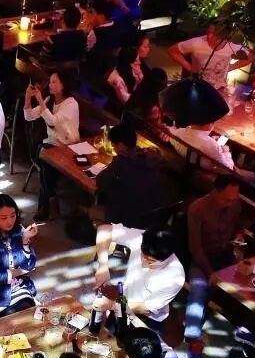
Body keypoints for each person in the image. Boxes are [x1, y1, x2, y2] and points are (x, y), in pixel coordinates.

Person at [184, 175, 244, 343]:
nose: (230, 203)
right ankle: (191, 335)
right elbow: (195, 248)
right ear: (216, 192)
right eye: (226, 199)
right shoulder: (198, 209)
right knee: (198, 289)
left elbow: (239, 227)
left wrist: (239, 236)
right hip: (204, 260)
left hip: (227, 257)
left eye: (233, 199)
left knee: (245, 287)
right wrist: (211, 273)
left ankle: (241, 335)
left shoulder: (235, 204)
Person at [93, 226, 185, 330]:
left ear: (167, 258)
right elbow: (104, 230)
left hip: (147, 318)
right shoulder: (141, 238)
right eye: (142, 254)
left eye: (151, 261)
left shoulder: (175, 276)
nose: (143, 261)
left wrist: (111, 305)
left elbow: (145, 309)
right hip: (122, 303)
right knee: (107, 333)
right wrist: (103, 266)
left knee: (139, 339)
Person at [95, 121, 178, 229]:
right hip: (159, 217)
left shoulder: (122, 162)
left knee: (94, 211)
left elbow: (100, 181)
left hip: (135, 220)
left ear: (121, 145)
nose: (114, 149)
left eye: (114, 145)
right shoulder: (153, 155)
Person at [24, 70, 81, 221]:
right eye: (50, 81)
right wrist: (28, 98)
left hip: (68, 148)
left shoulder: (71, 104)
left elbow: (52, 121)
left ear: (64, 85)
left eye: (54, 82)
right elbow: (29, 116)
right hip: (52, 146)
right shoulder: (50, 100)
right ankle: (50, 201)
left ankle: (47, 205)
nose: (50, 84)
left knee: (44, 160)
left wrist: (40, 100)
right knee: (45, 157)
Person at [167, 21, 250, 92]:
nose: (209, 36)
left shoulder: (232, 46)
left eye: (214, 34)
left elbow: (250, 56)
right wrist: (189, 67)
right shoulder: (196, 43)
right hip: (197, 87)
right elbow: (172, 50)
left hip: (219, 90)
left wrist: (231, 67)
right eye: (208, 32)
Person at [106, 37, 152, 112]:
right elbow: (129, 103)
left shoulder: (133, 72)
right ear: (129, 64)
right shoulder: (118, 80)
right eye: (136, 61)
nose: (139, 63)